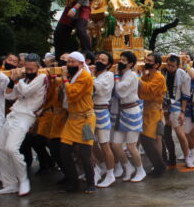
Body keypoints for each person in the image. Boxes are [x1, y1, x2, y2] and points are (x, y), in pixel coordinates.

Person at [0, 54, 47, 196]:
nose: (28, 71)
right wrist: (12, 81)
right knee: (0, 148)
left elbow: (26, 91)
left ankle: (23, 180)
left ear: (38, 67)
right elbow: (9, 96)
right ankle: (10, 183)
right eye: (27, 68)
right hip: (13, 114)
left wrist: (17, 79)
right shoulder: (23, 79)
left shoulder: (42, 78)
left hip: (26, 117)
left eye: (31, 69)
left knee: (11, 149)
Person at [58, 52, 97, 193]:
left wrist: (64, 79)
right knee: (64, 151)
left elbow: (73, 94)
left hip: (86, 120)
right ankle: (73, 182)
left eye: (72, 62)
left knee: (85, 153)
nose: (69, 65)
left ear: (81, 64)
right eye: (68, 62)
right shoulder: (72, 75)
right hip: (72, 119)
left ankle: (91, 183)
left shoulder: (85, 76)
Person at [110, 51, 146, 182]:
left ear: (131, 64)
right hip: (122, 112)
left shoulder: (131, 76)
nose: (121, 62)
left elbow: (120, 91)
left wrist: (115, 76)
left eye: (124, 60)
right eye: (121, 60)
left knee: (131, 146)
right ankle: (127, 166)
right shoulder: (123, 74)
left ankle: (140, 170)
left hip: (132, 111)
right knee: (115, 144)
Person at [139, 52, 167, 176]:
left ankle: (159, 166)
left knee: (149, 139)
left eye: (150, 61)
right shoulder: (147, 75)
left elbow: (149, 89)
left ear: (156, 64)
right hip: (146, 110)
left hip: (155, 112)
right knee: (150, 139)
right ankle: (158, 165)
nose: (147, 62)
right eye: (146, 60)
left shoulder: (159, 77)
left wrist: (136, 80)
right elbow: (141, 91)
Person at [92, 51, 117, 187]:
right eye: (98, 58)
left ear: (109, 64)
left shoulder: (108, 75)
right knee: (89, 143)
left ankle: (110, 173)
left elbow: (98, 88)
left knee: (104, 145)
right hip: (89, 112)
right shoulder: (94, 73)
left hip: (101, 111)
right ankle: (98, 168)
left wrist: (88, 76)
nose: (99, 61)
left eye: (103, 60)